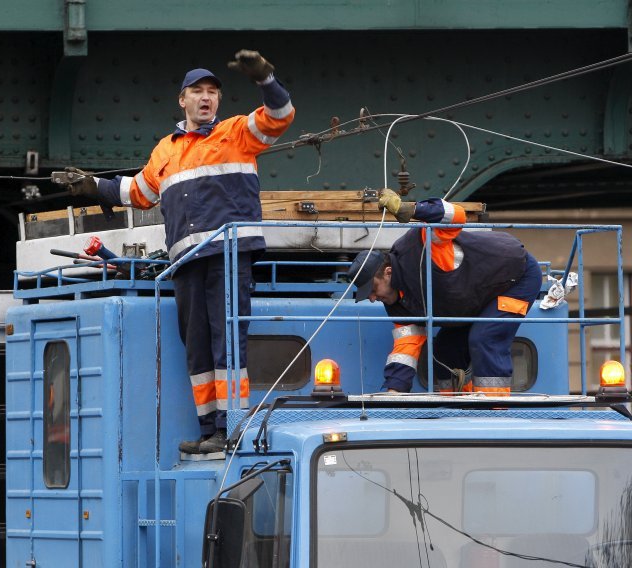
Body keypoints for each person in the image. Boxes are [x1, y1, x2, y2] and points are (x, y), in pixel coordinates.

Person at [67, 50, 295, 453]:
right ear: (182, 100)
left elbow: (279, 115)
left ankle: (232, 428)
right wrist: (94, 186)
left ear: (218, 101)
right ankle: (209, 429)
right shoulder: (165, 151)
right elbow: (138, 192)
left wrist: (265, 79)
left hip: (228, 255)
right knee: (198, 348)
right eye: (197, 91)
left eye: (212, 92)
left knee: (228, 343)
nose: (206, 98)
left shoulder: (236, 133)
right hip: (187, 261)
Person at [348, 189, 542, 395]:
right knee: (444, 349)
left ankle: (493, 408)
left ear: (388, 273)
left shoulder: (421, 245)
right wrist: (394, 391)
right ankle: (457, 404)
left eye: (373, 289)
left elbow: (456, 215)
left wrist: (412, 209)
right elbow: (407, 346)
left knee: (485, 337)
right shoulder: (397, 304)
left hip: (516, 277)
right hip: (476, 293)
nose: (371, 298)